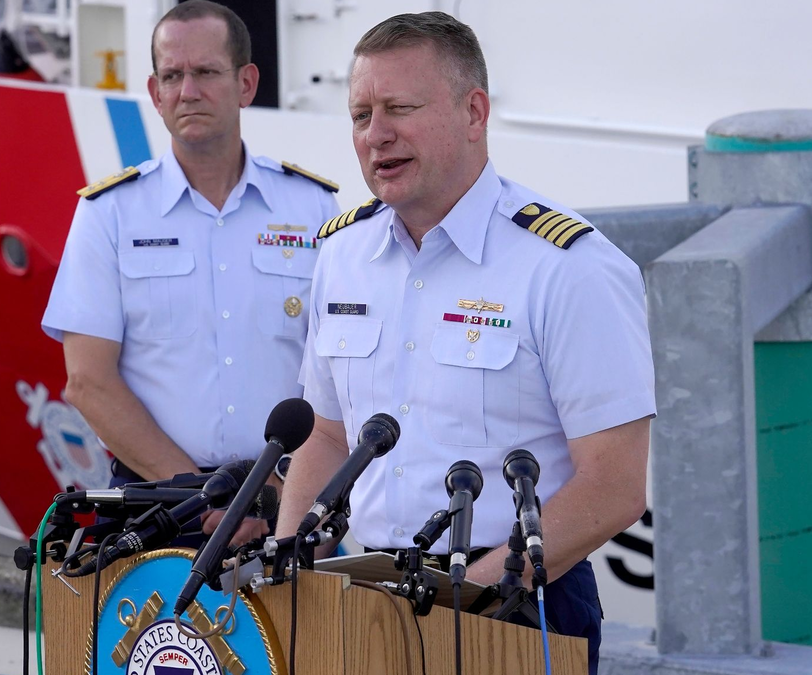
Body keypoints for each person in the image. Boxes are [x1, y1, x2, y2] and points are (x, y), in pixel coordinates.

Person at [275, 12, 654, 673]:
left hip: (519, 599)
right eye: (361, 114)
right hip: (367, 594)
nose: (376, 134)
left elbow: (615, 484)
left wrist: (468, 594)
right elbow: (327, 437)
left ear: (474, 111)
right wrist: (282, 572)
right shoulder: (341, 254)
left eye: (400, 108)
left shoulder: (567, 267)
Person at [42, 0, 340, 547]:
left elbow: (343, 374)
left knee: (296, 638)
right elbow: (87, 381)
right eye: (172, 76)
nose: (188, 91)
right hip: (155, 508)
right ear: (154, 94)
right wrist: (205, 493)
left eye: (206, 72)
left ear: (246, 83)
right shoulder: (109, 213)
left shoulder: (314, 210)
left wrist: (277, 494)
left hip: (286, 505)